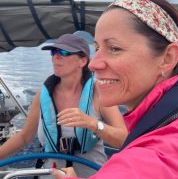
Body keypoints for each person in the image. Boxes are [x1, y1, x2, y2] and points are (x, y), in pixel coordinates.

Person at [52, 0, 178, 179]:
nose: (93, 64)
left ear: (168, 58)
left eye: (114, 48)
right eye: (97, 48)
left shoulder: (156, 159)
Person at [0, 34, 128, 177]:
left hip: (92, 174)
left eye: (64, 52)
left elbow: (123, 139)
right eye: (53, 52)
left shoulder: (99, 92)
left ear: (83, 61)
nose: (56, 57)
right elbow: (24, 137)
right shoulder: (43, 94)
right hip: (50, 173)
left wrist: (92, 124)